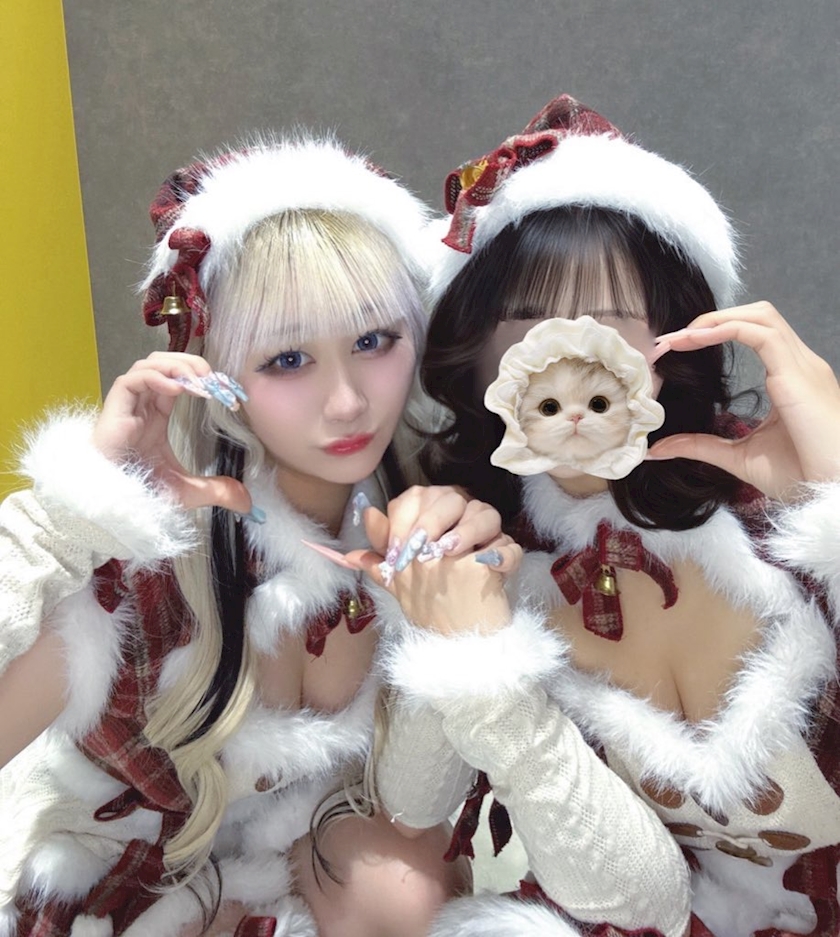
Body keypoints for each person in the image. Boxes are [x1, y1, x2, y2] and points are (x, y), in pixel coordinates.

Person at [371, 94, 840, 937]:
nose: (572, 355)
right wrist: (453, 631)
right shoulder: (489, 554)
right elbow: (410, 808)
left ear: (671, 342)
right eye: (527, 321)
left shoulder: (782, 498)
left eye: (614, 320)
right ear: (476, 357)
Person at [0, 134, 480, 937]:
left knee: (407, 888)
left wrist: (454, 627)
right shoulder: (152, 549)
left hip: (297, 853)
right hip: (130, 874)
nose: (347, 402)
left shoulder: (426, 518)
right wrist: (74, 512)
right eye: (288, 358)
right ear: (219, 369)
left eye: (373, 341)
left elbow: (414, 806)